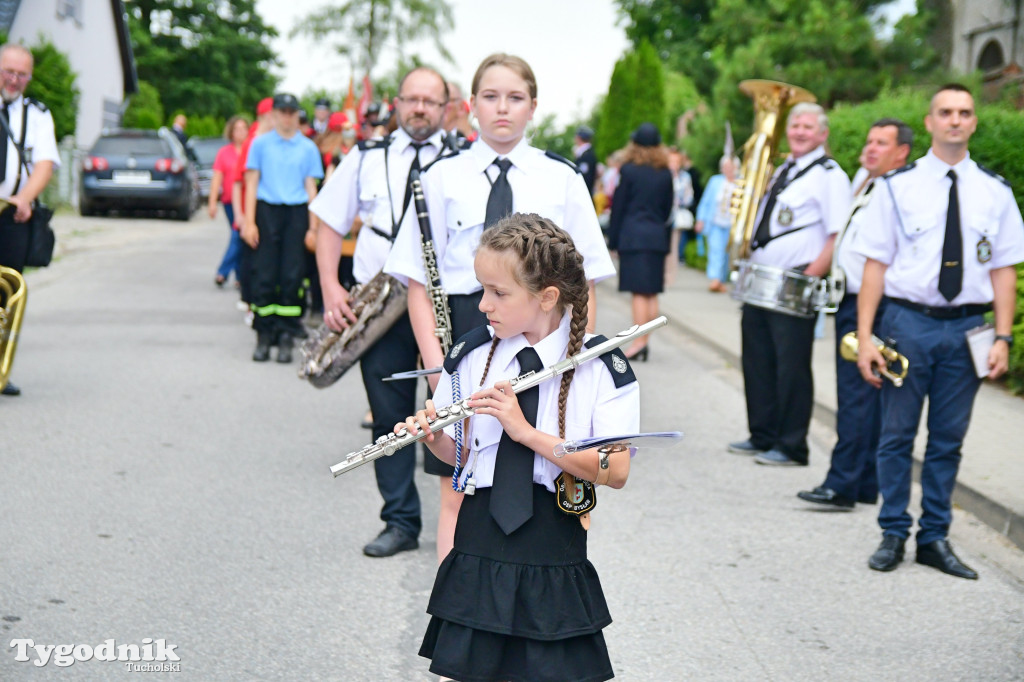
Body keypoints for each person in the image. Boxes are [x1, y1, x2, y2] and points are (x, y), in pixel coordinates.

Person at [384, 53, 616, 565]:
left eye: (515, 97)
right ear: (470, 106)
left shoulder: (563, 178)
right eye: (490, 97)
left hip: (544, 340)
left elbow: (586, 283)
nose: (502, 109)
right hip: (466, 333)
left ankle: (546, 605)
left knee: (553, 485)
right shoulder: (440, 178)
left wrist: (571, 367)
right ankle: (457, 611)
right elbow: (419, 284)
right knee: (459, 484)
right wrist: (438, 368)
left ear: (534, 106)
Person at [403, 214, 638, 682]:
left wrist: (526, 432)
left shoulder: (599, 365)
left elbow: (615, 469)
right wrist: (435, 440)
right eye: (482, 289)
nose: (483, 304)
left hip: (551, 541)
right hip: (478, 539)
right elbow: (463, 457)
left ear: (547, 296)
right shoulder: (470, 356)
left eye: (499, 293)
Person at [854, 84, 1024, 578]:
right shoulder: (896, 186)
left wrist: (1003, 337)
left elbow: (1004, 271)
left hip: (969, 328)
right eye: (946, 112)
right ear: (929, 122)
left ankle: (934, 537)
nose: (955, 120)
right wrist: (866, 337)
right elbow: (875, 266)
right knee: (896, 436)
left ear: (974, 123)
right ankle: (892, 532)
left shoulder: (995, 191)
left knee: (948, 439)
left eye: (964, 113)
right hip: (908, 325)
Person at [311, 66, 450, 558]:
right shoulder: (365, 155)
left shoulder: (462, 160)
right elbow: (328, 221)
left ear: (446, 107)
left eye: (429, 101)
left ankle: (465, 522)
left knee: (452, 410)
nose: (419, 108)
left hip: (444, 304)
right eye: (411, 99)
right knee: (391, 415)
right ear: (396, 103)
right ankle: (400, 521)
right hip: (378, 305)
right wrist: (331, 286)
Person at [797, 119, 912, 510]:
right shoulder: (869, 180)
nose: (871, 148)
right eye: (869, 140)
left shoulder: (901, 191)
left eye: (882, 143)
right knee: (865, 396)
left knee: (856, 396)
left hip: (872, 303)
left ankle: (842, 483)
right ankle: (864, 483)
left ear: (903, 152)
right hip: (852, 299)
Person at [728, 102, 851, 466]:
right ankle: (762, 434)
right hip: (761, 283)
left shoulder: (830, 175)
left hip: (795, 284)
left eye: (808, 127)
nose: (798, 131)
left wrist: (812, 274)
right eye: (795, 125)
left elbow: (837, 233)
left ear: (823, 134)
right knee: (758, 360)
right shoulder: (784, 168)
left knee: (791, 367)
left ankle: (792, 445)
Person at [242, 93, 323, 363]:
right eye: (282, 111)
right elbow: (251, 183)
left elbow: (312, 188)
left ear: (297, 115)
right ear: (274, 114)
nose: (287, 116)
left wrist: (313, 228)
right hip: (267, 211)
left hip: (296, 213)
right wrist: (249, 221)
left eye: (291, 111)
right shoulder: (260, 144)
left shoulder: (308, 147)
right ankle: (264, 335)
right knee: (264, 273)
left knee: (292, 274)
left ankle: (287, 334)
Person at [0, 43, 60, 397]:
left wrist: (25, 198)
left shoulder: (37, 115)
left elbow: (45, 164)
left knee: (5, 295)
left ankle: (0, 367)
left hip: (12, 214)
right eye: (8, 71)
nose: (14, 79)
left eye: (22, 74)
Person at [605, 122, 674, 361]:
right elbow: (667, 209)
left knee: (638, 293)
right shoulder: (665, 172)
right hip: (656, 237)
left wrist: (612, 241)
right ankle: (645, 341)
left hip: (633, 236)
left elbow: (619, 207)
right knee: (651, 292)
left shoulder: (629, 170)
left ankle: (639, 343)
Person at [232, 98, 275, 318]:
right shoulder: (253, 143)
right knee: (251, 257)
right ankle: (250, 302)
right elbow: (239, 181)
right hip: (253, 210)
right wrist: (241, 215)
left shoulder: (275, 142)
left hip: (269, 211)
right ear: (269, 116)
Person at [208, 115, 250, 288]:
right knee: (237, 235)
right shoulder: (224, 152)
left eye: (243, 129)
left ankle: (234, 274)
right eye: (236, 129)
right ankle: (226, 272)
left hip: (247, 201)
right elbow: (217, 178)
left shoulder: (252, 150)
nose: (240, 133)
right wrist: (212, 202)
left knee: (239, 236)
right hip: (229, 201)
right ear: (231, 132)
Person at [695, 155, 739, 293]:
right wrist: (700, 219)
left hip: (733, 225)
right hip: (715, 222)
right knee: (716, 250)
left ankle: (721, 280)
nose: (728, 169)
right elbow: (705, 201)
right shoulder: (715, 181)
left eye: (731, 167)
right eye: (726, 167)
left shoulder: (741, 182)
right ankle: (715, 279)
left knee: (727, 254)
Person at [574, 125, 597, 196]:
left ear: (578, 138)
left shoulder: (587, 155)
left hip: (584, 194)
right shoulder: (585, 153)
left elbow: (585, 178)